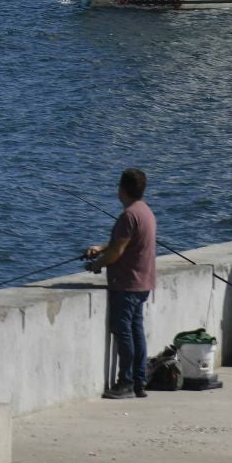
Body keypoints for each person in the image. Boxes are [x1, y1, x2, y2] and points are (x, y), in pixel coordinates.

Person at [83, 167, 157, 399]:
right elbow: (123, 242)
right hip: (143, 282)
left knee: (124, 332)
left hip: (126, 284)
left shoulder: (128, 216)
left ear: (122, 189)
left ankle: (125, 382)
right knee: (136, 332)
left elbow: (118, 251)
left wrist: (97, 264)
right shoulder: (145, 211)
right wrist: (101, 248)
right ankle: (139, 382)